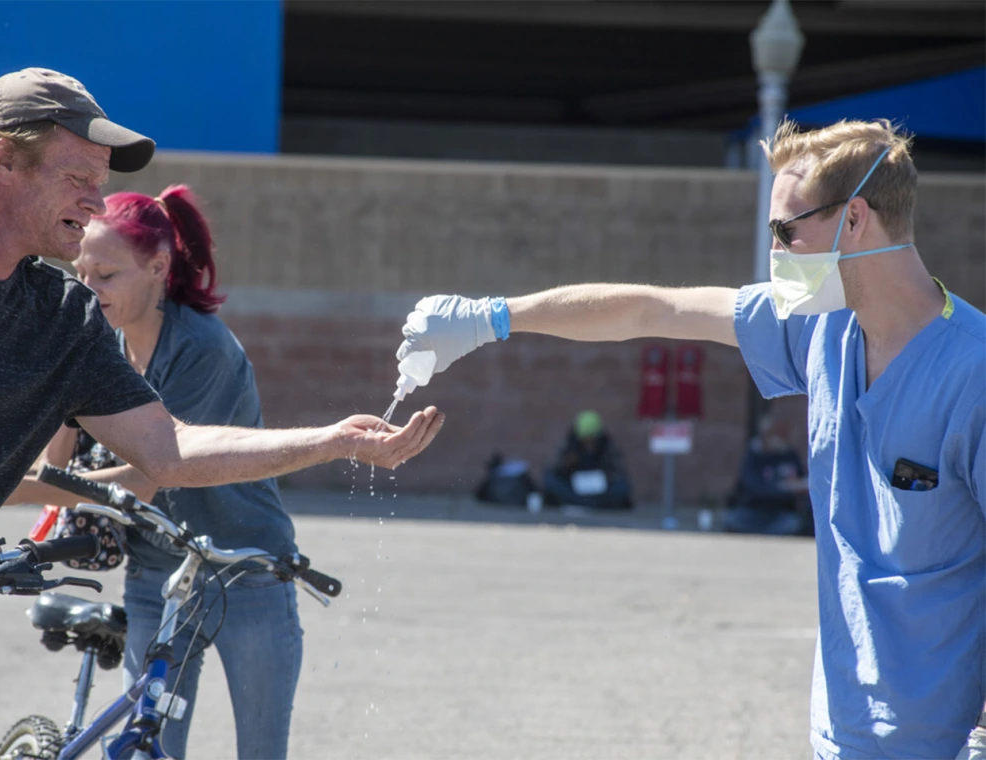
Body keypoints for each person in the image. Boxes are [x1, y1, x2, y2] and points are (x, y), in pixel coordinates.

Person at [0, 67, 443, 759]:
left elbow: (169, 451)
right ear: (3, 160)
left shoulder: (62, 317)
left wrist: (334, 441)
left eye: (101, 183)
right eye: (78, 178)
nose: (96, 204)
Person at [395, 119, 984, 759]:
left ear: (854, 221)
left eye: (787, 230)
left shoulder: (971, 373)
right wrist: (492, 318)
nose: (776, 252)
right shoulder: (820, 331)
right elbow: (653, 308)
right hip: (840, 737)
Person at [6, 185, 303, 759]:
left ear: (158, 268)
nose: (87, 290)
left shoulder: (204, 350)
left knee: (262, 752)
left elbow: (153, 475)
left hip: (245, 572)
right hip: (156, 578)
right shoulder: (98, 335)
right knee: (148, 748)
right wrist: (67, 379)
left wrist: (15, 489)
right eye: (82, 273)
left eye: (107, 276)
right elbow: (55, 465)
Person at [722, 414, 812, 536]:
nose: (780, 437)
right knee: (732, 519)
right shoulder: (753, 456)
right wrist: (785, 488)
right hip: (753, 512)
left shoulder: (790, 456)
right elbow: (754, 488)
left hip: (780, 513)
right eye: (776, 433)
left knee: (793, 523)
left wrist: (796, 488)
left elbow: (801, 481)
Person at [542, 410, 633, 509]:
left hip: (601, 489)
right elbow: (552, 468)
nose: (589, 445)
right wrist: (566, 464)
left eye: (592, 440)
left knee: (622, 487)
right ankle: (585, 503)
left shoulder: (608, 447)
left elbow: (618, 471)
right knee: (550, 481)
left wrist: (604, 476)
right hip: (574, 487)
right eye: (586, 440)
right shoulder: (569, 446)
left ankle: (588, 503)